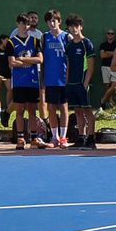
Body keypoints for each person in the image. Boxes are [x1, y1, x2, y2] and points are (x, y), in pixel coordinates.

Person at [3, 14, 45, 151]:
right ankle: (21, 138)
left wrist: (22, 59)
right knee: (19, 110)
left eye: (27, 24)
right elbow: (12, 62)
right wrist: (28, 60)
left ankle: (33, 138)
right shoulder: (11, 42)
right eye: (23, 24)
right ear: (17, 24)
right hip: (19, 81)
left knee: (32, 110)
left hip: (32, 80)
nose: (25, 27)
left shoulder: (34, 41)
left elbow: (39, 60)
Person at [61, 16, 98, 148]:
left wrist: (85, 83)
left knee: (87, 111)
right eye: (71, 26)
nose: (73, 29)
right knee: (77, 111)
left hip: (83, 83)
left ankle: (91, 139)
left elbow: (91, 65)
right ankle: (81, 137)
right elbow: (68, 64)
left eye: (76, 26)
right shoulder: (69, 45)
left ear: (81, 27)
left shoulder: (86, 43)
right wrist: (66, 82)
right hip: (71, 84)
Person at [38, 10, 71, 148]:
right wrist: (42, 78)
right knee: (51, 107)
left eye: (54, 20)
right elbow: (42, 60)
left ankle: (63, 137)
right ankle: (54, 137)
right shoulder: (44, 37)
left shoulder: (67, 37)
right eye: (49, 21)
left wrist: (69, 78)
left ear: (59, 21)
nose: (52, 23)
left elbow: (71, 60)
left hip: (64, 78)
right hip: (50, 79)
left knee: (63, 107)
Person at [96, 28, 116, 114]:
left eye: (112, 34)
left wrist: (108, 53)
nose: (110, 35)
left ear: (114, 35)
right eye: (109, 33)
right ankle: (110, 104)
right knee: (107, 86)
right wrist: (113, 53)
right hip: (105, 67)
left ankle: (102, 100)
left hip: (115, 67)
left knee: (114, 85)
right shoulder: (103, 44)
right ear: (106, 35)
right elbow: (102, 55)